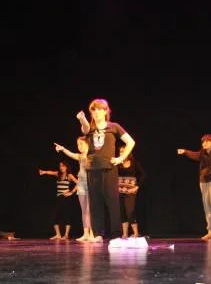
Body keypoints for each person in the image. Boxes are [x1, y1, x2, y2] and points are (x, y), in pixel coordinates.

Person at [76, 99, 135, 241]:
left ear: (105, 111)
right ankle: (98, 234)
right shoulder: (90, 128)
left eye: (99, 109)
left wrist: (121, 158)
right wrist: (82, 119)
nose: (96, 112)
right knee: (95, 202)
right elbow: (85, 129)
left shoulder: (114, 127)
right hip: (92, 169)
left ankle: (116, 234)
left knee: (112, 201)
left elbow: (131, 142)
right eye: (93, 110)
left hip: (109, 169)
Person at [55, 137, 94, 241]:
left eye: (81, 144)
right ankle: (85, 233)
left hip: (90, 184)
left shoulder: (92, 156)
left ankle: (92, 233)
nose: (79, 146)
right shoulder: (80, 156)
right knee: (84, 210)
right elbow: (71, 154)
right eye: (78, 144)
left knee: (90, 210)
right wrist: (63, 149)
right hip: (81, 184)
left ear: (87, 144)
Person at [38, 161, 78, 239]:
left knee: (67, 215)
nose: (61, 167)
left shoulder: (69, 175)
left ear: (66, 167)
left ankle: (66, 235)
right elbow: (51, 172)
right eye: (60, 166)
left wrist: (71, 192)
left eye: (63, 166)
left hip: (66, 197)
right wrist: (44, 172)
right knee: (55, 215)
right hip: (59, 197)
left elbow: (78, 183)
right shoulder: (58, 174)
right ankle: (58, 234)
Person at [118, 145, 146, 238]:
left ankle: (136, 233)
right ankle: (125, 233)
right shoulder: (118, 164)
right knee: (122, 212)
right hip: (120, 191)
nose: (122, 153)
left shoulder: (134, 163)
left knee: (130, 211)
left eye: (123, 151)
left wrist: (137, 187)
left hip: (130, 191)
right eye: (120, 152)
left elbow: (143, 175)